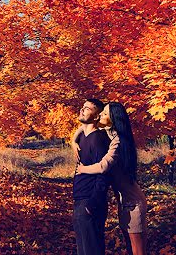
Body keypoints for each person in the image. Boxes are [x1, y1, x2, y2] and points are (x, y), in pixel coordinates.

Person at [73, 102, 147, 255]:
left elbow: (103, 167)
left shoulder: (117, 141)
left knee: (136, 248)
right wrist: (73, 141)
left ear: (113, 120)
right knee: (129, 245)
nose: (101, 116)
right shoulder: (107, 132)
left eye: (105, 114)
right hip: (122, 200)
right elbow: (83, 127)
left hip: (132, 201)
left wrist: (82, 169)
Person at [72, 98, 111, 255]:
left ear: (96, 116)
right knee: (84, 249)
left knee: (92, 250)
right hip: (80, 199)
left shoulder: (99, 140)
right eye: (82, 107)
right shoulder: (82, 138)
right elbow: (81, 128)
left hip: (90, 201)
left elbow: (105, 174)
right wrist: (72, 141)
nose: (82, 110)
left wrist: (92, 204)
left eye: (87, 108)